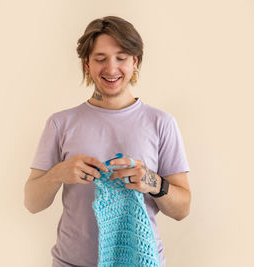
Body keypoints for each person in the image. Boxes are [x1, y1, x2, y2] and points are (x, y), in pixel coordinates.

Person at [24, 16, 191, 267]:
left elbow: (182, 209)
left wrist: (151, 181)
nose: (111, 69)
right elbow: (32, 203)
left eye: (121, 58)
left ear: (135, 62)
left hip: (141, 261)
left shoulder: (162, 123)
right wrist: (58, 174)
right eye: (100, 59)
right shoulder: (60, 123)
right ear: (87, 65)